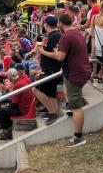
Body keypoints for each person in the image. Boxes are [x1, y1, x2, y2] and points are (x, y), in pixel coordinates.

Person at [37, 13, 91, 148]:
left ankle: (79, 137)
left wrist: (41, 51)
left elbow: (59, 57)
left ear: (60, 24)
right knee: (71, 96)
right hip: (80, 71)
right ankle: (70, 104)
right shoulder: (76, 33)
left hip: (75, 73)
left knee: (77, 107)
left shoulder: (66, 37)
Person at [31, 16, 63, 126]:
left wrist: (41, 51)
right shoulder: (52, 35)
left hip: (52, 71)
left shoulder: (55, 36)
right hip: (49, 70)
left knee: (35, 90)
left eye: (44, 24)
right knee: (50, 95)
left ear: (47, 25)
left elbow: (56, 55)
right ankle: (55, 114)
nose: (43, 25)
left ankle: (53, 113)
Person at [0, 67, 34, 140]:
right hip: (24, 106)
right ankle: (7, 127)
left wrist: (6, 106)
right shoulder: (20, 81)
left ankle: (7, 131)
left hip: (22, 109)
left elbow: (14, 104)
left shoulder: (17, 85)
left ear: (9, 77)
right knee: (2, 104)